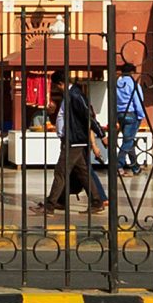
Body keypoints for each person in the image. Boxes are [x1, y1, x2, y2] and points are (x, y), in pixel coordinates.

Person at [35, 69, 108, 212]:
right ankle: (96, 201)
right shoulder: (69, 95)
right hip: (72, 140)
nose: (57, 89)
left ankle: (50, 205)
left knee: (60, 172)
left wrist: (101, 134)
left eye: (56, 86)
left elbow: (88, 116)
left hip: (74, 141)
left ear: (61, 83)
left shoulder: (75, 95)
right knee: (83, 172)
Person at [112, 60, 148, 173]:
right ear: (132, 72)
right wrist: (141, 116)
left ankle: (135, 167)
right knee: (128, 141)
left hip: (119, 114)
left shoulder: (117, 84)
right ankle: (118, 165)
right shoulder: (133, 84)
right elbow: (138, 101)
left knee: (129, 140)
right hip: (132, 114)